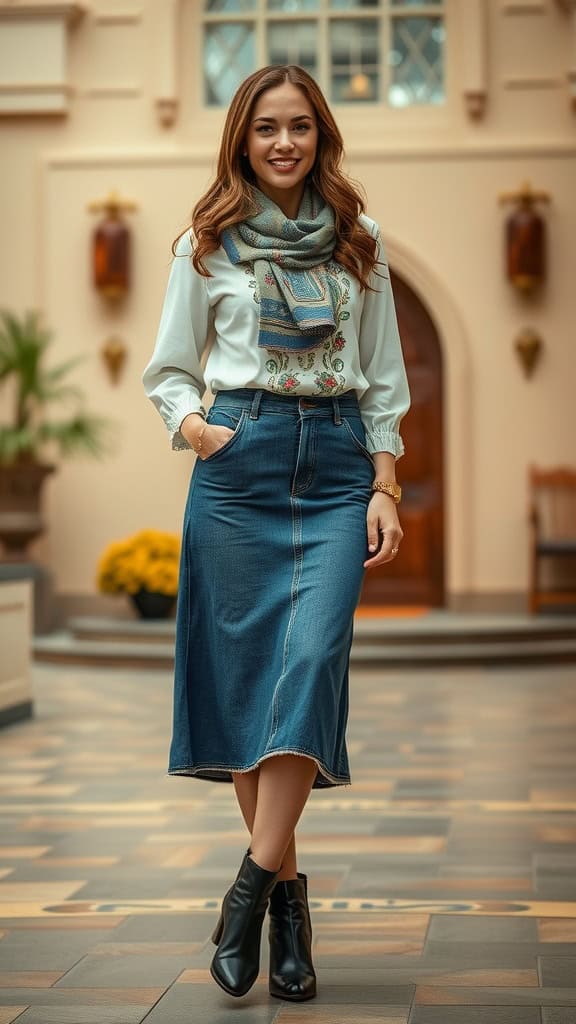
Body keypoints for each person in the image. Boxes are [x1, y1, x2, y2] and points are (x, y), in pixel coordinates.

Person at [142, 64, 410, 1002]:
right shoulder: (205, 246)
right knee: (250, 682)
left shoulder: (361, 243)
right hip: (238, 468)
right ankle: (291, 910)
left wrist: (385, 483)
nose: (284, 143)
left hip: (337, 468)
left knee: (309, 663)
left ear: (321, 134)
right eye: (267, 129)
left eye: (300, 126)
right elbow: (168, 370)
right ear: (242, 139)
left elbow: (381, 375)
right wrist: (197, 427)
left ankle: (247, 892)